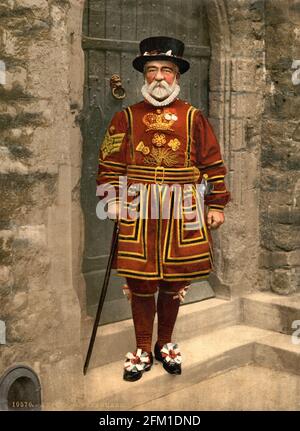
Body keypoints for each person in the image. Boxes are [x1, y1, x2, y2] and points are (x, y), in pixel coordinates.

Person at [96, 36, 230, 382]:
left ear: (177, 76)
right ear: (143, 75)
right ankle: (142, 348)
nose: (158, 77)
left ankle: (165, 343)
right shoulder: (125, 116)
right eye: (152, 70)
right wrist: (112, 199)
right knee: (141, 281)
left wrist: (216, 203)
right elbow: (109, 164)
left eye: (166, 71)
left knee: (174, 282)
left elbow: (213, 164)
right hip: (139, 208)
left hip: (182, 206)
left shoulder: (194, 117)